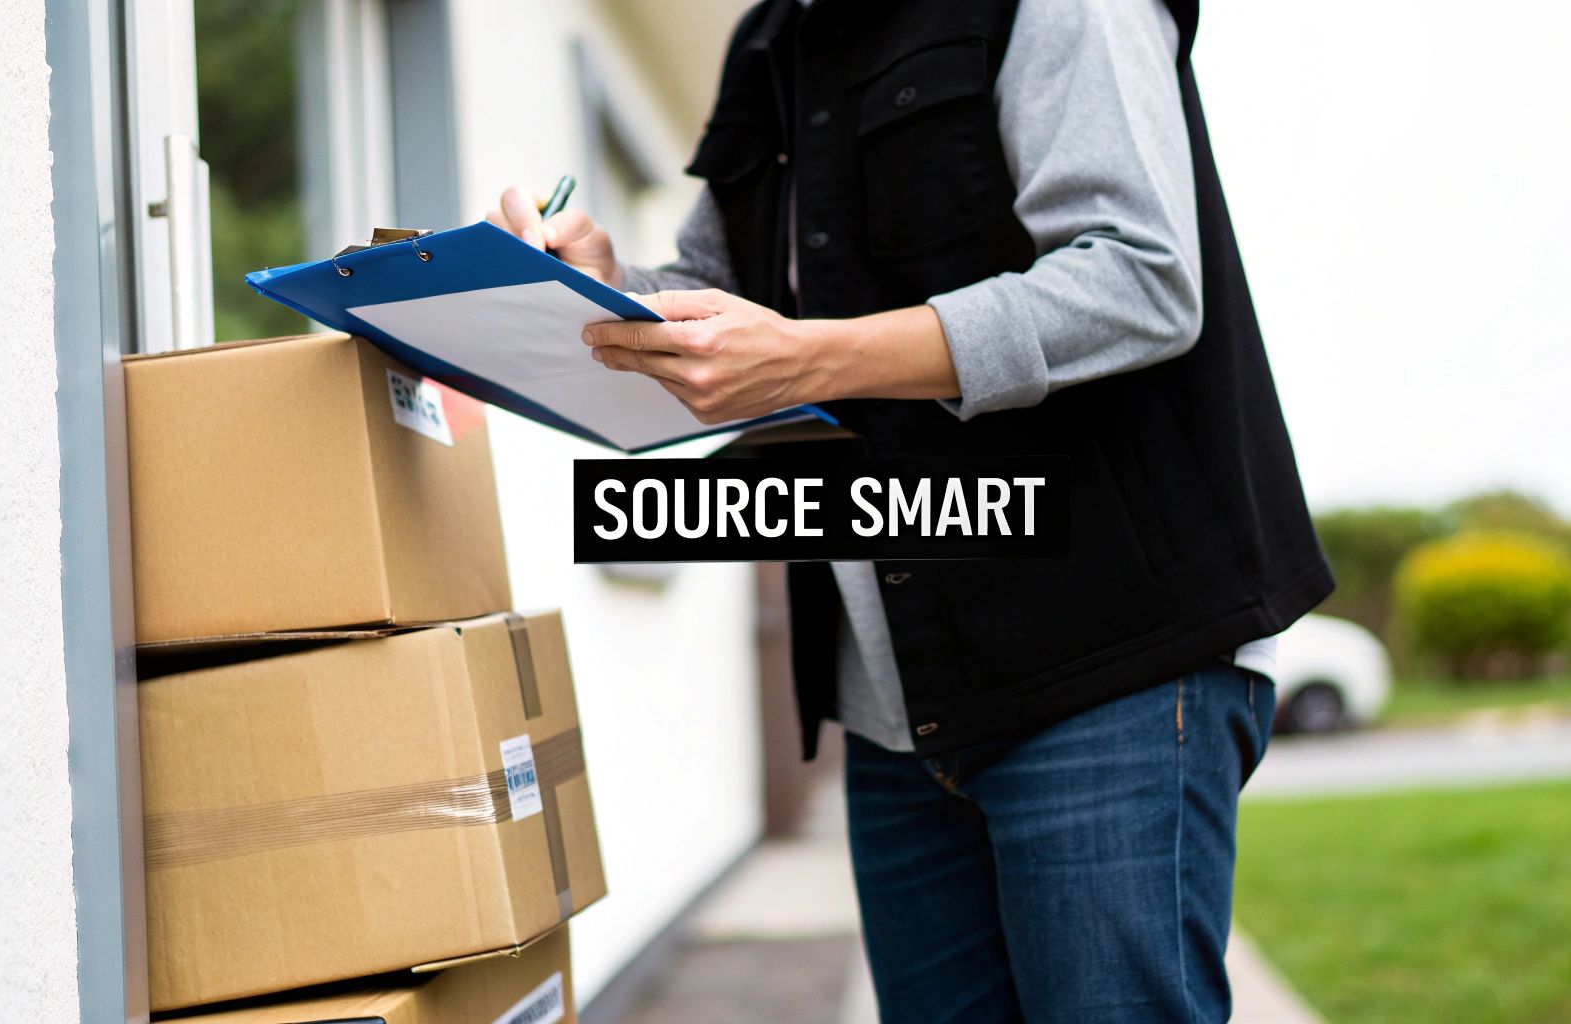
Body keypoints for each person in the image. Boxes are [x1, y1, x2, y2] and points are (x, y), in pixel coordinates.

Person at [491, 0, 1333, 1019]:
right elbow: (722, 296)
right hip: (898, 711)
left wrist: (811, 356)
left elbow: (1139, 277)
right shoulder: (769, 43)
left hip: (1107, 661)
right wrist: (607, 290)